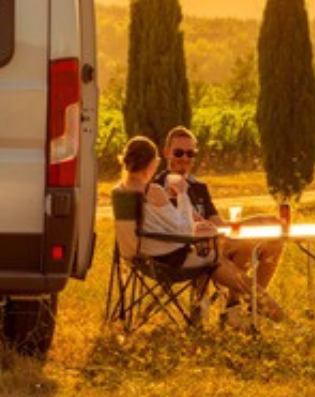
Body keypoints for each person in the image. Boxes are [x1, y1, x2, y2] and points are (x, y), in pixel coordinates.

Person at [114, 136, 280, 324]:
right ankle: (278, 318)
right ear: (154, 162)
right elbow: (184, 230)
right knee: (226, 268)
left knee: (228, 254)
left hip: (143, 257)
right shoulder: (153, 191)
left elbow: (164, 227)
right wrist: (182, 194)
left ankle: (239, 313)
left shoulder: (120, 191)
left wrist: (197, 227)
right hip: (172, 261)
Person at [154, 125, 286, 319]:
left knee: (273, 241)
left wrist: (258, 221)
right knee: (245, 244)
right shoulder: (158, 188)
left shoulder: (199, 187)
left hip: (213, 245)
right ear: (166, 153)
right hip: (185, 251)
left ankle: (243, 311)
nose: (185, 158)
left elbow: (219, 224)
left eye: (190, 153)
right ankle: (240, 308)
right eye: (179, 152)